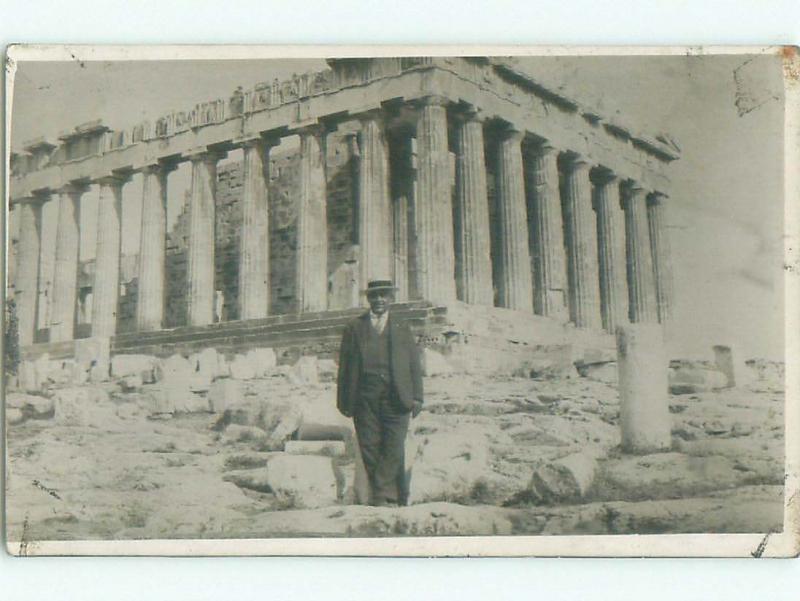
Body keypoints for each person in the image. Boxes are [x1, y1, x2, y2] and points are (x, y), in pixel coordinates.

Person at [336, 279, 424, 506]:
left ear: (391, 298)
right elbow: (345, 367)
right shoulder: (354, 328)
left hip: (397, 396)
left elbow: (414, 363)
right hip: (364, 397)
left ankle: (382, 493)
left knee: (394, 445)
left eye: (383, 295)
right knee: (370, 446)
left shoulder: (402, 327)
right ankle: (389, 496)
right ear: (368, 299)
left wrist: (418, 397)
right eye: (374, 296)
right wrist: (343, 401)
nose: (379, 300)